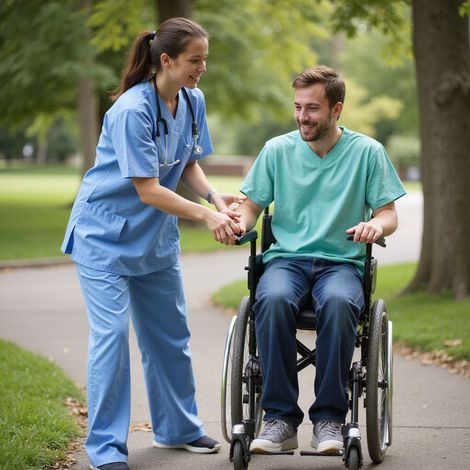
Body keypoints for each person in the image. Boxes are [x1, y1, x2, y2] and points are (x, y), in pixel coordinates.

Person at [61, 18, 243, 470]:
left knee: (170, 336)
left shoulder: (192, 100)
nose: (202, 68)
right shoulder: (131, 110)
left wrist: (217, 197)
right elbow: (147, 188)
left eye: (205, 59)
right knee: (111, 339)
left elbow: (187, 161)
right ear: (166, 60)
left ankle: (177, 428)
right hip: (105, 238)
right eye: (194, 60)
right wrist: (206, 216)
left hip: (155, 240)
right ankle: (105, 448)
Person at [229, 65, 406, 455]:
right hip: (287, 262)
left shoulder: (367, 152)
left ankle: (328, 418)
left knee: (341, 303)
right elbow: (250, 207)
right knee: (271, 300)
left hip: (342, 264)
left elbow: (389, 213)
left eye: (312, 108)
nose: (302, 117)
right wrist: (237, 223)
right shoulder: (277, 150)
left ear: (336, 109)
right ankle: (279, 419)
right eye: (297, 107)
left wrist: (376, 225)